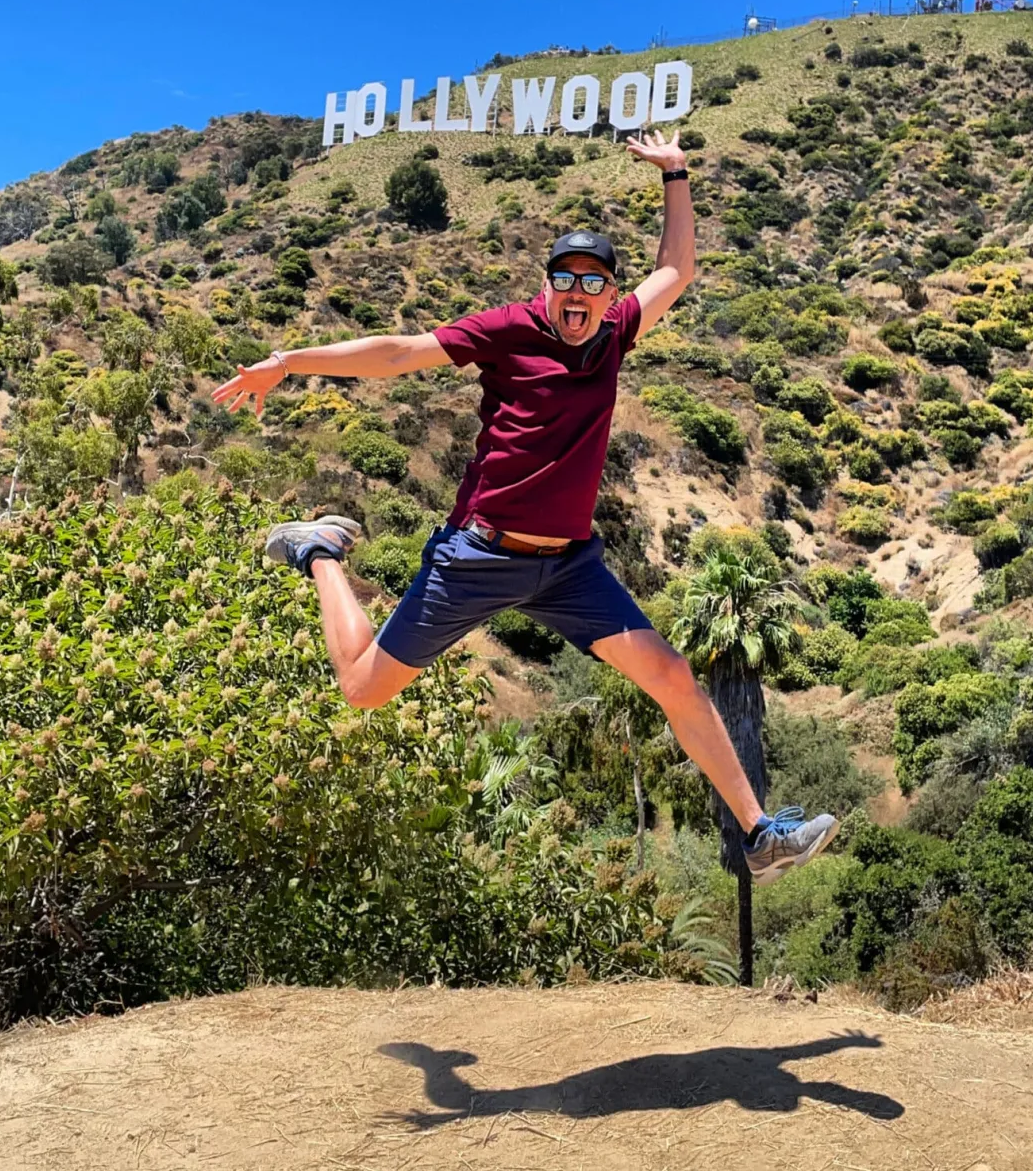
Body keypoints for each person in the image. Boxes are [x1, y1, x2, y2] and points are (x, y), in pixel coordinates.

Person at [212, 129, 836, 884]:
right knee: (363, 688)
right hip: (480, 555)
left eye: (594, 282)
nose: (578, 293)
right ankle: (318, 552)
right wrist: (288, 362)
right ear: (547, 287)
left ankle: (760, 833)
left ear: (610, 296)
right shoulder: (510, 329)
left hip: (570, 568)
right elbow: (400, 353)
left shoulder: (614, 335)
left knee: (672, 674)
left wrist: (676, 171)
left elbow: (676, 267)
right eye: (564, 280)